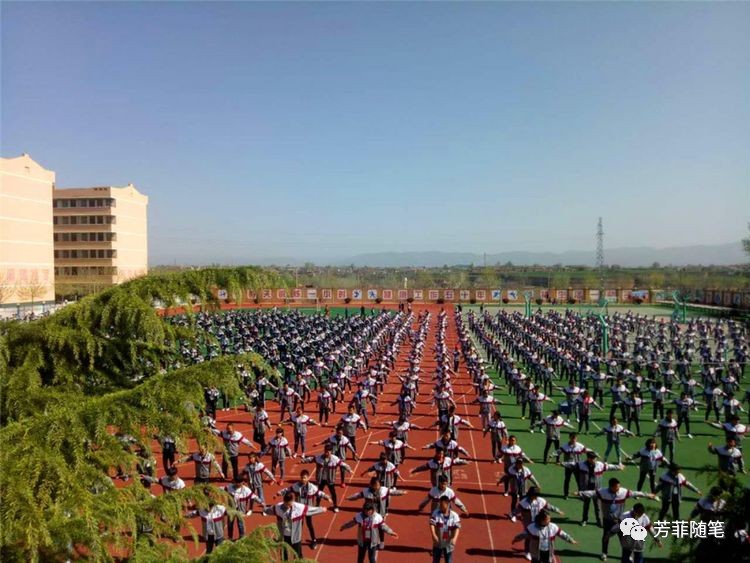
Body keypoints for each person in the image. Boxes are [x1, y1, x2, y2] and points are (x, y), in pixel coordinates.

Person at [576, 477, 657, 561]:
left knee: (624, 538)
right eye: (616, 487)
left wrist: (647, 495)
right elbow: (592, 493)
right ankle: (604, 553)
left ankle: (627, 555)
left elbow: (635, 493)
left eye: (619, 486)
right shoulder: (603, 492)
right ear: (611, 487)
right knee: (606, 537)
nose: (618, 488)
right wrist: (580, 493)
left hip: (620, 520)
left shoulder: (623, 492)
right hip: (607, 519)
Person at [561, 451, 623, 526]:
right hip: (586, 489)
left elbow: (609, 467)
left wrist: (619, 467)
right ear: (588, 458)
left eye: (595, 458)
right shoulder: (581, 464)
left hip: (597, 489)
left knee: (597, 506)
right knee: (586, 506)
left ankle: (599, 521)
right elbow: (572, 464)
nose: (594, 460)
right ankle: (584, 520)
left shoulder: (600, 465)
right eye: (592, 458)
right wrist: (562, 463)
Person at [277, 469, 331, 549]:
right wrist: (280, 492)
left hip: (307, 509)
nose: (303, 479)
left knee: (309, 524)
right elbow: (288, 489)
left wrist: (326, 497)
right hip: (298, 510)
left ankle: (314, 540)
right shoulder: (296, 486)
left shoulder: (312, 487)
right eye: (302, 478)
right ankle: (297, 540)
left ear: (308, 478)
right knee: (299, 525)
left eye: (305, 478)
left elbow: (319, 493)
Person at [264, 491, 327, 560]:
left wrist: (321, 509)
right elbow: (270, 510)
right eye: (285, 504)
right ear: (283, 501)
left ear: (293, 501)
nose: (287, 506)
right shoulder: (278, 507)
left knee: (297, 555)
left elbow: (310, 509)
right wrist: (265, 510)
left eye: (289, 504)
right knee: (284, 554)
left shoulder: (299, 508)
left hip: (295, 536)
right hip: (284, 535)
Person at [300, 444, 353, 512]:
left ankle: (335, 506)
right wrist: (302, 461)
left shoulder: (335, 459)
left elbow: (343, 464)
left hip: (330, 479)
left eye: (328, 452)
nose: (326, 453)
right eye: (325, 451)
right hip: (321, 479)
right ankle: (317, 505)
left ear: (331, 451)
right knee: (318, 492)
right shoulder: (319, 457)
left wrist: (349, 469)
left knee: (333, 493)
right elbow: (311, 459)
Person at [512, 511, 577, 563]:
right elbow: (523, 535)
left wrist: (570, 539)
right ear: (542, 520)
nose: (549, 520)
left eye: (549, 518)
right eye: (547, 519)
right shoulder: (532, 527)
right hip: (536, 551)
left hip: (548, 551)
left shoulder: (553, 527)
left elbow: (562, 534)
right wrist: (515, 539)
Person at [225, 475, 264, 540]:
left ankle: (241, 537)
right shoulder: (229, 487)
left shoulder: (246, 490)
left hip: (241, 509)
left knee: (240, 524)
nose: (237, 484)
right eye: (236, 482)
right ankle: (230, 537)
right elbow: (221, 489)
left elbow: (253, 497)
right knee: (230, 523)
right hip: (231, 509)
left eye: (239, 483)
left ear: (242, 482)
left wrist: (261, 502)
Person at [430, 495, 462, 563]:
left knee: (449, 561)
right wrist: (433, 535)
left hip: (448, 543)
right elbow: (432, 524)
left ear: (447, 504)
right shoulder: (436, 513)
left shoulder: (454, 516)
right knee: (435, 560)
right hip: (438, 542)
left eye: (442, 505)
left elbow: (457, 528)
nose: (440, 506)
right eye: (439, 504)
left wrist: (454, 539)